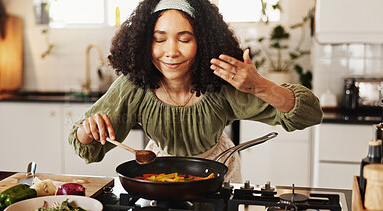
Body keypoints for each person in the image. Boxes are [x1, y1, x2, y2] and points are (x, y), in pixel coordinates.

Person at [69, 0, 323, 183]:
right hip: (158, 173)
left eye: (184, 39)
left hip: (218, 172)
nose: (171, 51)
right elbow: (85, 146)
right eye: (159, 39)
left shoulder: (221, 84)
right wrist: (87, 130)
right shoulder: (135, 85)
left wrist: (259, 85)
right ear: (144, 44)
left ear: (202, 43)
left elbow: (309, 114)